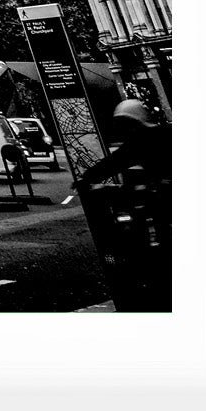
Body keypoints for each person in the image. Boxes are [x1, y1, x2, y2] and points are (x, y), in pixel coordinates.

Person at [77, 98, 171, 311]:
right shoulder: (143, 138)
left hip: (167, 192)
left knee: (162, 222)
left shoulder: (160, 137)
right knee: (153, 220)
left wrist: (88, 178)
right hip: (157, 192)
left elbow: (116, 161)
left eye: (128, 123)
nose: (126, 129)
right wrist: (89, 177)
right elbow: (116, 161)